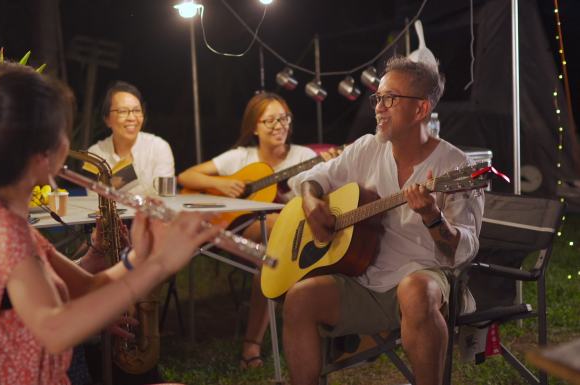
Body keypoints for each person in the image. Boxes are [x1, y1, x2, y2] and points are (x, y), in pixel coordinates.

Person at [0, 66, 218, 385]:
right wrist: (159, 266)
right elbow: (55, 330)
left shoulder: (5, 218)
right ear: (42, 151)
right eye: (65, 132)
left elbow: (87, 287)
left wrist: (140, 257)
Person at [282, 56, 484, 385]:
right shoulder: (366, 148)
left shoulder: (453, 165)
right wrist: (310, 201)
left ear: (420, 110)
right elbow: (313, 178)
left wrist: (433, 218)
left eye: (389, 99)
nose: (378, 107)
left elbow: (465, 249)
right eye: (378, 98)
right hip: (364, 276)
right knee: (299, 298)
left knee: (415, 291)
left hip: (425, 278)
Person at [178, 92, 336, 368]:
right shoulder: (241, 157)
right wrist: (223, 185)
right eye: (270, 120)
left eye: (284, 118)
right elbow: (186, 176)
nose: (279, 125)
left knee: (270, 256)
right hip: (238, 228)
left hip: (287, 237)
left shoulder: (305, 156)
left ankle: (255, 343)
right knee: (274, 233)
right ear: (255, 127)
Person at [87, 81, 174, 195]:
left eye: (137, 110)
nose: (132, 118)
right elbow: (94, 199)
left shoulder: (159, 148)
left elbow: (165, 197)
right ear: (107, 119)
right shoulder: (96, 154)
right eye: (123, 111)